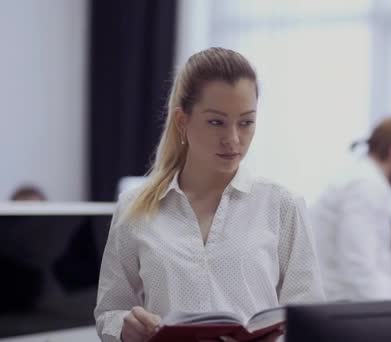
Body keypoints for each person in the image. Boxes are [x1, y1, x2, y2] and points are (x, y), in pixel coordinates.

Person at [94, 47, 325, 342]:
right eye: (216, 122)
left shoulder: (282, 206)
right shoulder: (134, 208)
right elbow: (110, 311)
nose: (233, 139)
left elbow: (308, 320)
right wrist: (124, 327)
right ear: (182, 120)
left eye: (246, 122)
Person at [310, 117, 391, 301]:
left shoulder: (365, 181)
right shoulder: (366, 187)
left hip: (349, 305)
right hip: (345, 309)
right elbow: (359, 266)